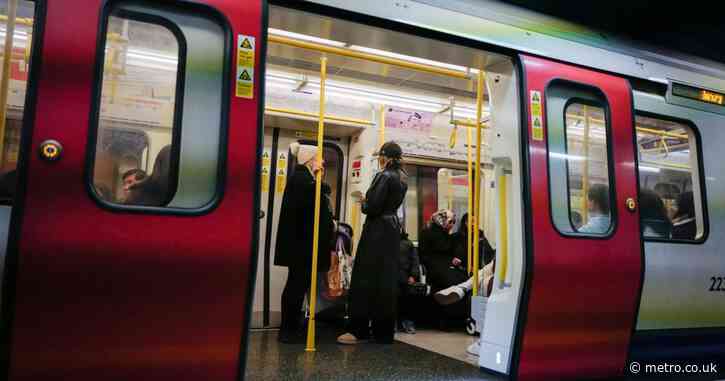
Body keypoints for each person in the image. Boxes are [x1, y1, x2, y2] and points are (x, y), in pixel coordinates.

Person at [337, 141, 408, 345]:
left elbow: (372, 206)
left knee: (365, 277)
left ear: (385, 157)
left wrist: (364, 202)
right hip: (391, 231)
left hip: (376, 231)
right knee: (385, 282)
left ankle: (358, 330)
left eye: (380, 156)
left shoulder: (384, 176)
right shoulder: (403, 178)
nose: (379, 159)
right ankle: (383, 332)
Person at [274, 143, 335, 344]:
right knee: (296, 287)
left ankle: (291, 327)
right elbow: (313, 199)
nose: (323, 161)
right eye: (319, 158)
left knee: (297, 286)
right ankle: (288, 330)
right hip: (302, 247)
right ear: (309, 160)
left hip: (302, 246)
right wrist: (321, 184)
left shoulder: (305, 178)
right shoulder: (302, 179)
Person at [419, 209, 467, 290]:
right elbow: (436, 253)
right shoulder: (431, 233)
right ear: (442, 220)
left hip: (440, 267)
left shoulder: (442, 232)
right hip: (436, 269)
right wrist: (451, 260)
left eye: (454, 222)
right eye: (450, 222)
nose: (452, 225)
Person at [398, 231, 421, 334]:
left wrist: (413, 275)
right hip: (392, 276)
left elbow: (415, 261)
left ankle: (408, 322)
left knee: (407, 300)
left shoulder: (408, 244)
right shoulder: (387, 242)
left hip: (405, 276)